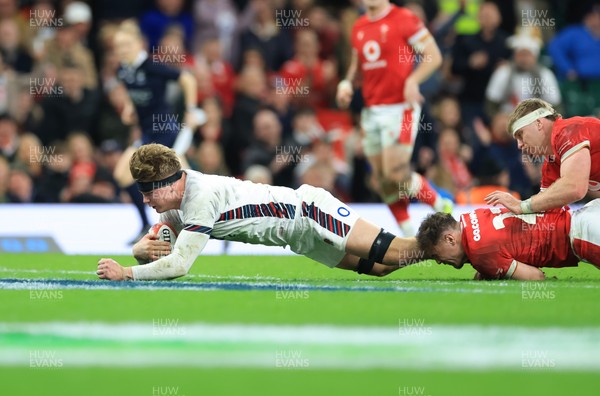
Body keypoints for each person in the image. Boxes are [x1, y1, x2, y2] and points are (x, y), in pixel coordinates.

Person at [96, 143, 418, 281]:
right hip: (298, 238)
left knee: (391, 251)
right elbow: (160, 242)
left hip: (308, 212)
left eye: (148, 190)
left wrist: (126, 272)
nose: (145, 199)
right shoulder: (178, 203)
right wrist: (139, 251)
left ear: (168, 184)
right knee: (379, 268)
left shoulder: (200, 197)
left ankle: (462, 241)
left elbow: (179, 265)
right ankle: (444, 249)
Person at [336, 0, 451, 237]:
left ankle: (441, 204)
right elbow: (358, 66)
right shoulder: (358, 26)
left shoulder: (405, 18)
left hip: (401, 108)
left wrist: (412, 80)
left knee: (396, 174)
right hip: (372, 111)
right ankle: (408, 233)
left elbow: (433, 56)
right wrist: (347, 83)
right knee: (382, 179)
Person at [111, 20, 198, 242]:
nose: (122, 50)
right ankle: (145, 226)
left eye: (127, 45)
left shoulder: (152, 67)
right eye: (119, 46)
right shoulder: (123, 70)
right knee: (122, 176)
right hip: (147, 135)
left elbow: (187, 79)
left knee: (189, 186)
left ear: (140, 44)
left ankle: (210, 222)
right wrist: (130, 108)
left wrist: (190, 110)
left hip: (166, 133)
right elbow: (134, 93)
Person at [416, 201, 600, 280]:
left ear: (449, 239)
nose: (439, 261)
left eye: (436, 254)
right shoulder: (471, 216)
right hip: (587, 214)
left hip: (584, 235)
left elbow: (536, 277)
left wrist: (492, 269)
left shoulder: (479, 252)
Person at [484, 98, 600, 214]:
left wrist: (521, 206)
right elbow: (544, 211)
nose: (519, 145)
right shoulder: (551, 163)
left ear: (538, 123)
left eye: (521, 134)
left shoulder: (569, 131)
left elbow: (574, 187)